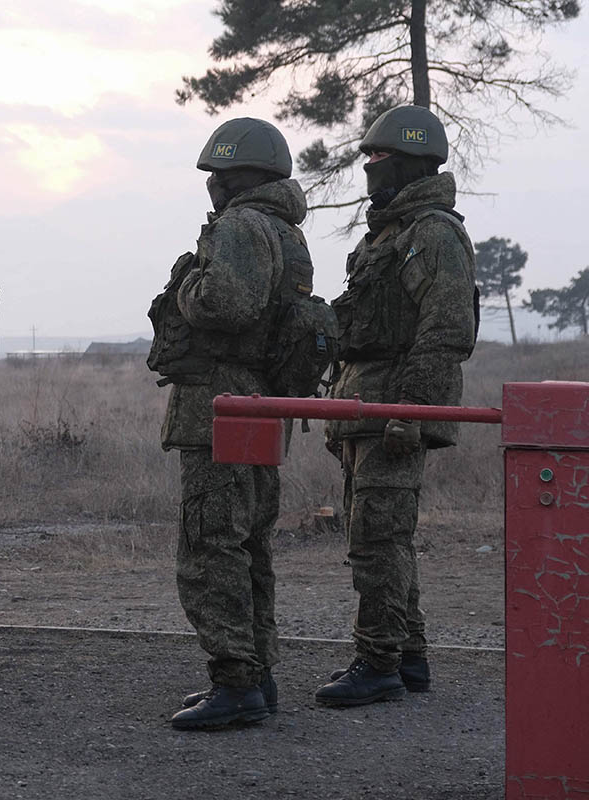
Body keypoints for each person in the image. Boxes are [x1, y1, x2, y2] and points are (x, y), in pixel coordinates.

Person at [148, 118, 312, 729]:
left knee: (211, 542)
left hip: (223, 404)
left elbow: (227, 304)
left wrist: (186, 282)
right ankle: (257, 673)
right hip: (260, 403)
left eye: (218, 173)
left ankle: (235, 680)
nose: (211, 185)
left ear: (242, 176)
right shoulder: (284, 230)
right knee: (248, 542)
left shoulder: (242, 227)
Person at [315, 105, 478, 707]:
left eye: (378, 158)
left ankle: (377, 661)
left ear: (408, 162)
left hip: (392, 414)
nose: (369, 168)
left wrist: (411, 410)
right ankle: (408, 656)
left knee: (378, 539)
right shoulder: (390, 233)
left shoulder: (433, 231)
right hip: (365, 409)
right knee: (380, 535)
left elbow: (446, 328)